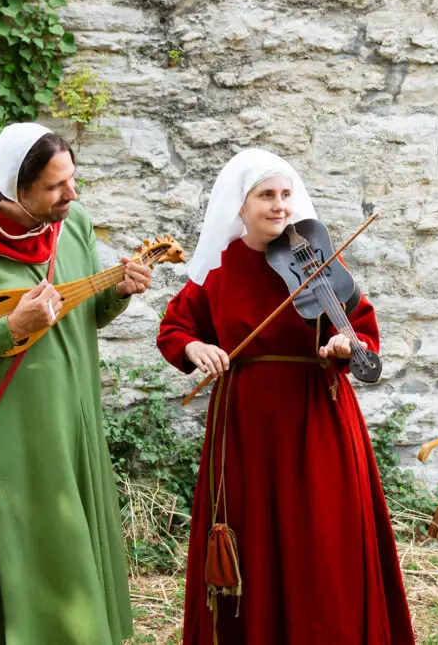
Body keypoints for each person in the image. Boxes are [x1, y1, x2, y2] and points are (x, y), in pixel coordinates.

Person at [156, 148, 415, 645]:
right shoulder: (219, 267)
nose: (280, 206)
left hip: (317, 418)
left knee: (321, 539)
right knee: (254, 542)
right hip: (246, 426)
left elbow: (361, 330)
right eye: (266, 196)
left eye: (286, 195)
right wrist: (195, 347)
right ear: (240, 204)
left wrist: (345, 345)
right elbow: (174, 327)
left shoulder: (318, 262)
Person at [0, 122, 151, 644]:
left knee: (75, 552)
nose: (72, 194)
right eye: (54, 187)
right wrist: (8, 329)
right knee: (36, 559)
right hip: (15, 436)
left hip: (75, 418)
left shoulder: (75, 223)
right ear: (14, 189)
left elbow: (83, 315)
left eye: (71, 180)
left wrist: (120, 292)